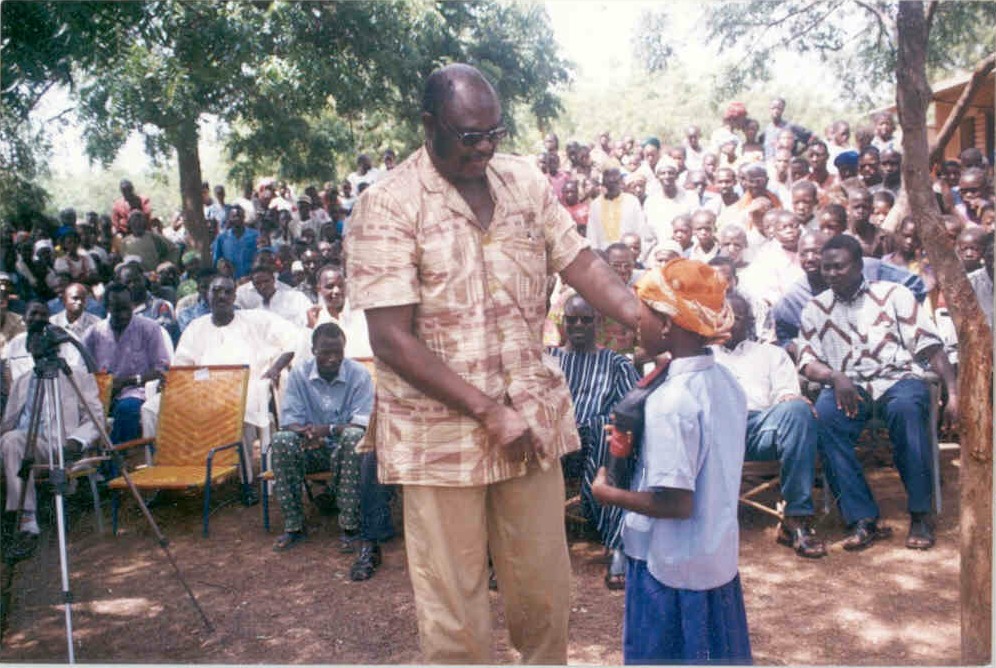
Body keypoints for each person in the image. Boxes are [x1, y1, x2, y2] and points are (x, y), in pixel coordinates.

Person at [344, 63, 641, 664]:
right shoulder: (388, 204)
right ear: (429, 124)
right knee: (454, 613)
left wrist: (643, 316)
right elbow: (390, 339)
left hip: (528, 419)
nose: (484, 148)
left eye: (493, 134)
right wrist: (486, 411)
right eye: (469, 136)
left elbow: (580, 262)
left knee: (544, 594)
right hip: (438, 437)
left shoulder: (523, 181)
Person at [590, 259, 751, 665]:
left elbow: (676, 503)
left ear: (666, 324)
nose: (635, 320)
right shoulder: (725, 382)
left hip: (669, 569)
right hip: (713, 559)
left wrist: (608, 494)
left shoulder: (671, 400)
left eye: (642, 311)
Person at [798, 234, 958, 551]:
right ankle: (861, 518)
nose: (831, 273)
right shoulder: (815, 308)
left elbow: (931, 346)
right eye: (826, 268)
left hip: (897, 378)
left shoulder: (894, 295)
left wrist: (953, 394)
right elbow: (806, 361)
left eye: (839, 266)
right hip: (847, 386)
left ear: (859, 265)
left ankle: (921, 514)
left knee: (907, 410)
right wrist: (834, 375)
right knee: (826, 418)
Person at [270, 323, 392, 579]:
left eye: (338, 352)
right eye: (325, 352)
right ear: (313, 350)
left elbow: (362, 424)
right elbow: (290, 420)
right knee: (281, 440)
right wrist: (306, 434)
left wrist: (327, 430)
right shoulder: (299, 374)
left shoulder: (358, 375)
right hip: (311, 449)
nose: (333, 358)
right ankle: (294, 526)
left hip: (345, 451)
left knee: (353, 437)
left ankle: (349, 527)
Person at [713, 293, 824, 558]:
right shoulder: (700, 355)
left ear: (750, 322)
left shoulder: (771, 354)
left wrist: (790, 400)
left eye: (736, 317)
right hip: (713, 431)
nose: (728, 323)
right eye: (722, 316)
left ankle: (796, 518)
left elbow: (787, 394)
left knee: (797, 410)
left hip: (759, 428)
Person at [548, 295, 640, 588]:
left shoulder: (615, 363)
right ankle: (514, 557)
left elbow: (629, 412)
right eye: (571, 319)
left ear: (597, 323)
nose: (578, 325)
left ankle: (616, 545)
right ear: (562, 323)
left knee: (606, 429)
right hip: (552, 447)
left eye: (586, 320)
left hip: (598, 449)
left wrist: (593, 426)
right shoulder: (547, 360)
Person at [1, 301, 104, 551]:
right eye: (33, 342)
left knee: (12, 441)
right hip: (23, 445)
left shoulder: (75, 376)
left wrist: (77, 441)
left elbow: (96, 418)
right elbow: (7, 423)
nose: (38, 346)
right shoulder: (23, 381)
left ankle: (26, 521)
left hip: (57, 445)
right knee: (11, 440)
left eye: (42, 341)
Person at [82, 282, 170, 444]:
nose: (123, 315)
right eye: (117, 310)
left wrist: (127, 381)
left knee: (127, 410)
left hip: (135, 390)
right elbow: (83, 370)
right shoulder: (93, 333)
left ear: (132, 305)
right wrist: (104, 385)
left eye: (126, 309)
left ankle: (115, 457)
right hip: (100, 394)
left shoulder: (149, 328)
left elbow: (161, 370)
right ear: (107, 308)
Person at [587, 167, 646, 250]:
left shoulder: (632, 201)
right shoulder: (595, 205)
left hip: (627, 251)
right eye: (608, 184)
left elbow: (640, 229)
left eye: (613, 184)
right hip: (603, 252)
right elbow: (592, 233)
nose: (610, 187)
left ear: (620, 183)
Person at [211, 204, 258, 280]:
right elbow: (217, 260)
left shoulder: (255, 235)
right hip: (230, 279)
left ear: (244, 217)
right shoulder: (222, 238)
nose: (237, 219)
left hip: (251, 278)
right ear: (229, 218)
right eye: (234, 216)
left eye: (239, 216)